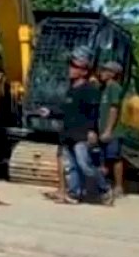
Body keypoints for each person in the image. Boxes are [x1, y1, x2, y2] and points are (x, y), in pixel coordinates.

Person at [38, 46, 113, 204]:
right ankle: (74, 193)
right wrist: (50, 112)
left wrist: (92, 130)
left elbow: (94, 112)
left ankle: (105, 189)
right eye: (71, 65)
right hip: (68, 133)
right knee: (71, 167)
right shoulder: (71, 90)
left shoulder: (90, 90)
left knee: (84, 164)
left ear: (84, 71)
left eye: (74, 66)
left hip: (82, 134)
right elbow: (66, 110)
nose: (70, 69)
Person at [98, 60, 125, 197]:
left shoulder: (114, 87)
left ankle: (119, 186)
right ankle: (104, 185)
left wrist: (109, 129)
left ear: (113, 74)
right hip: (102, 130)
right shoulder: (104, 88)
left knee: (114, 157)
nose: (101, 73)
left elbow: (114, 108)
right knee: (103, 159)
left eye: (105, 70)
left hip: (113, 132)